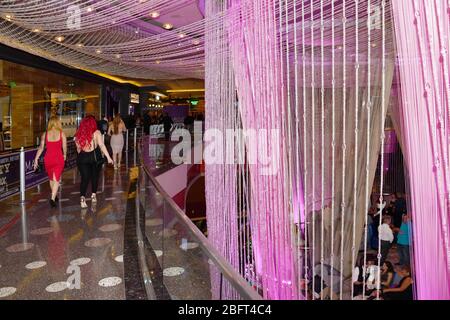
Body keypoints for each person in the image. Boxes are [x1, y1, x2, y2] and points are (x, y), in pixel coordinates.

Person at [75, 115, 113, 208]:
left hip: (82, 158)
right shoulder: (96, 133)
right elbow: (102, 145)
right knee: (94, 177)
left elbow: (78, 149)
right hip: (94, 158)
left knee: (84, 179)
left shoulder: (78, 134)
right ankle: (93, 195)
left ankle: (82, 199)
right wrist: (108, 157)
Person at [33, 116, 67, 208]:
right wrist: (65, 155)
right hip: (58, 158)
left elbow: (41, 147)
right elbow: (64, 147)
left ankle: (54, 195)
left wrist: (36, 158)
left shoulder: (45, 134)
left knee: (52, 179)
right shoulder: (61, 134)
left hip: (48, 159)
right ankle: (52, 198)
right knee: (56, 179)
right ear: (58, 123)